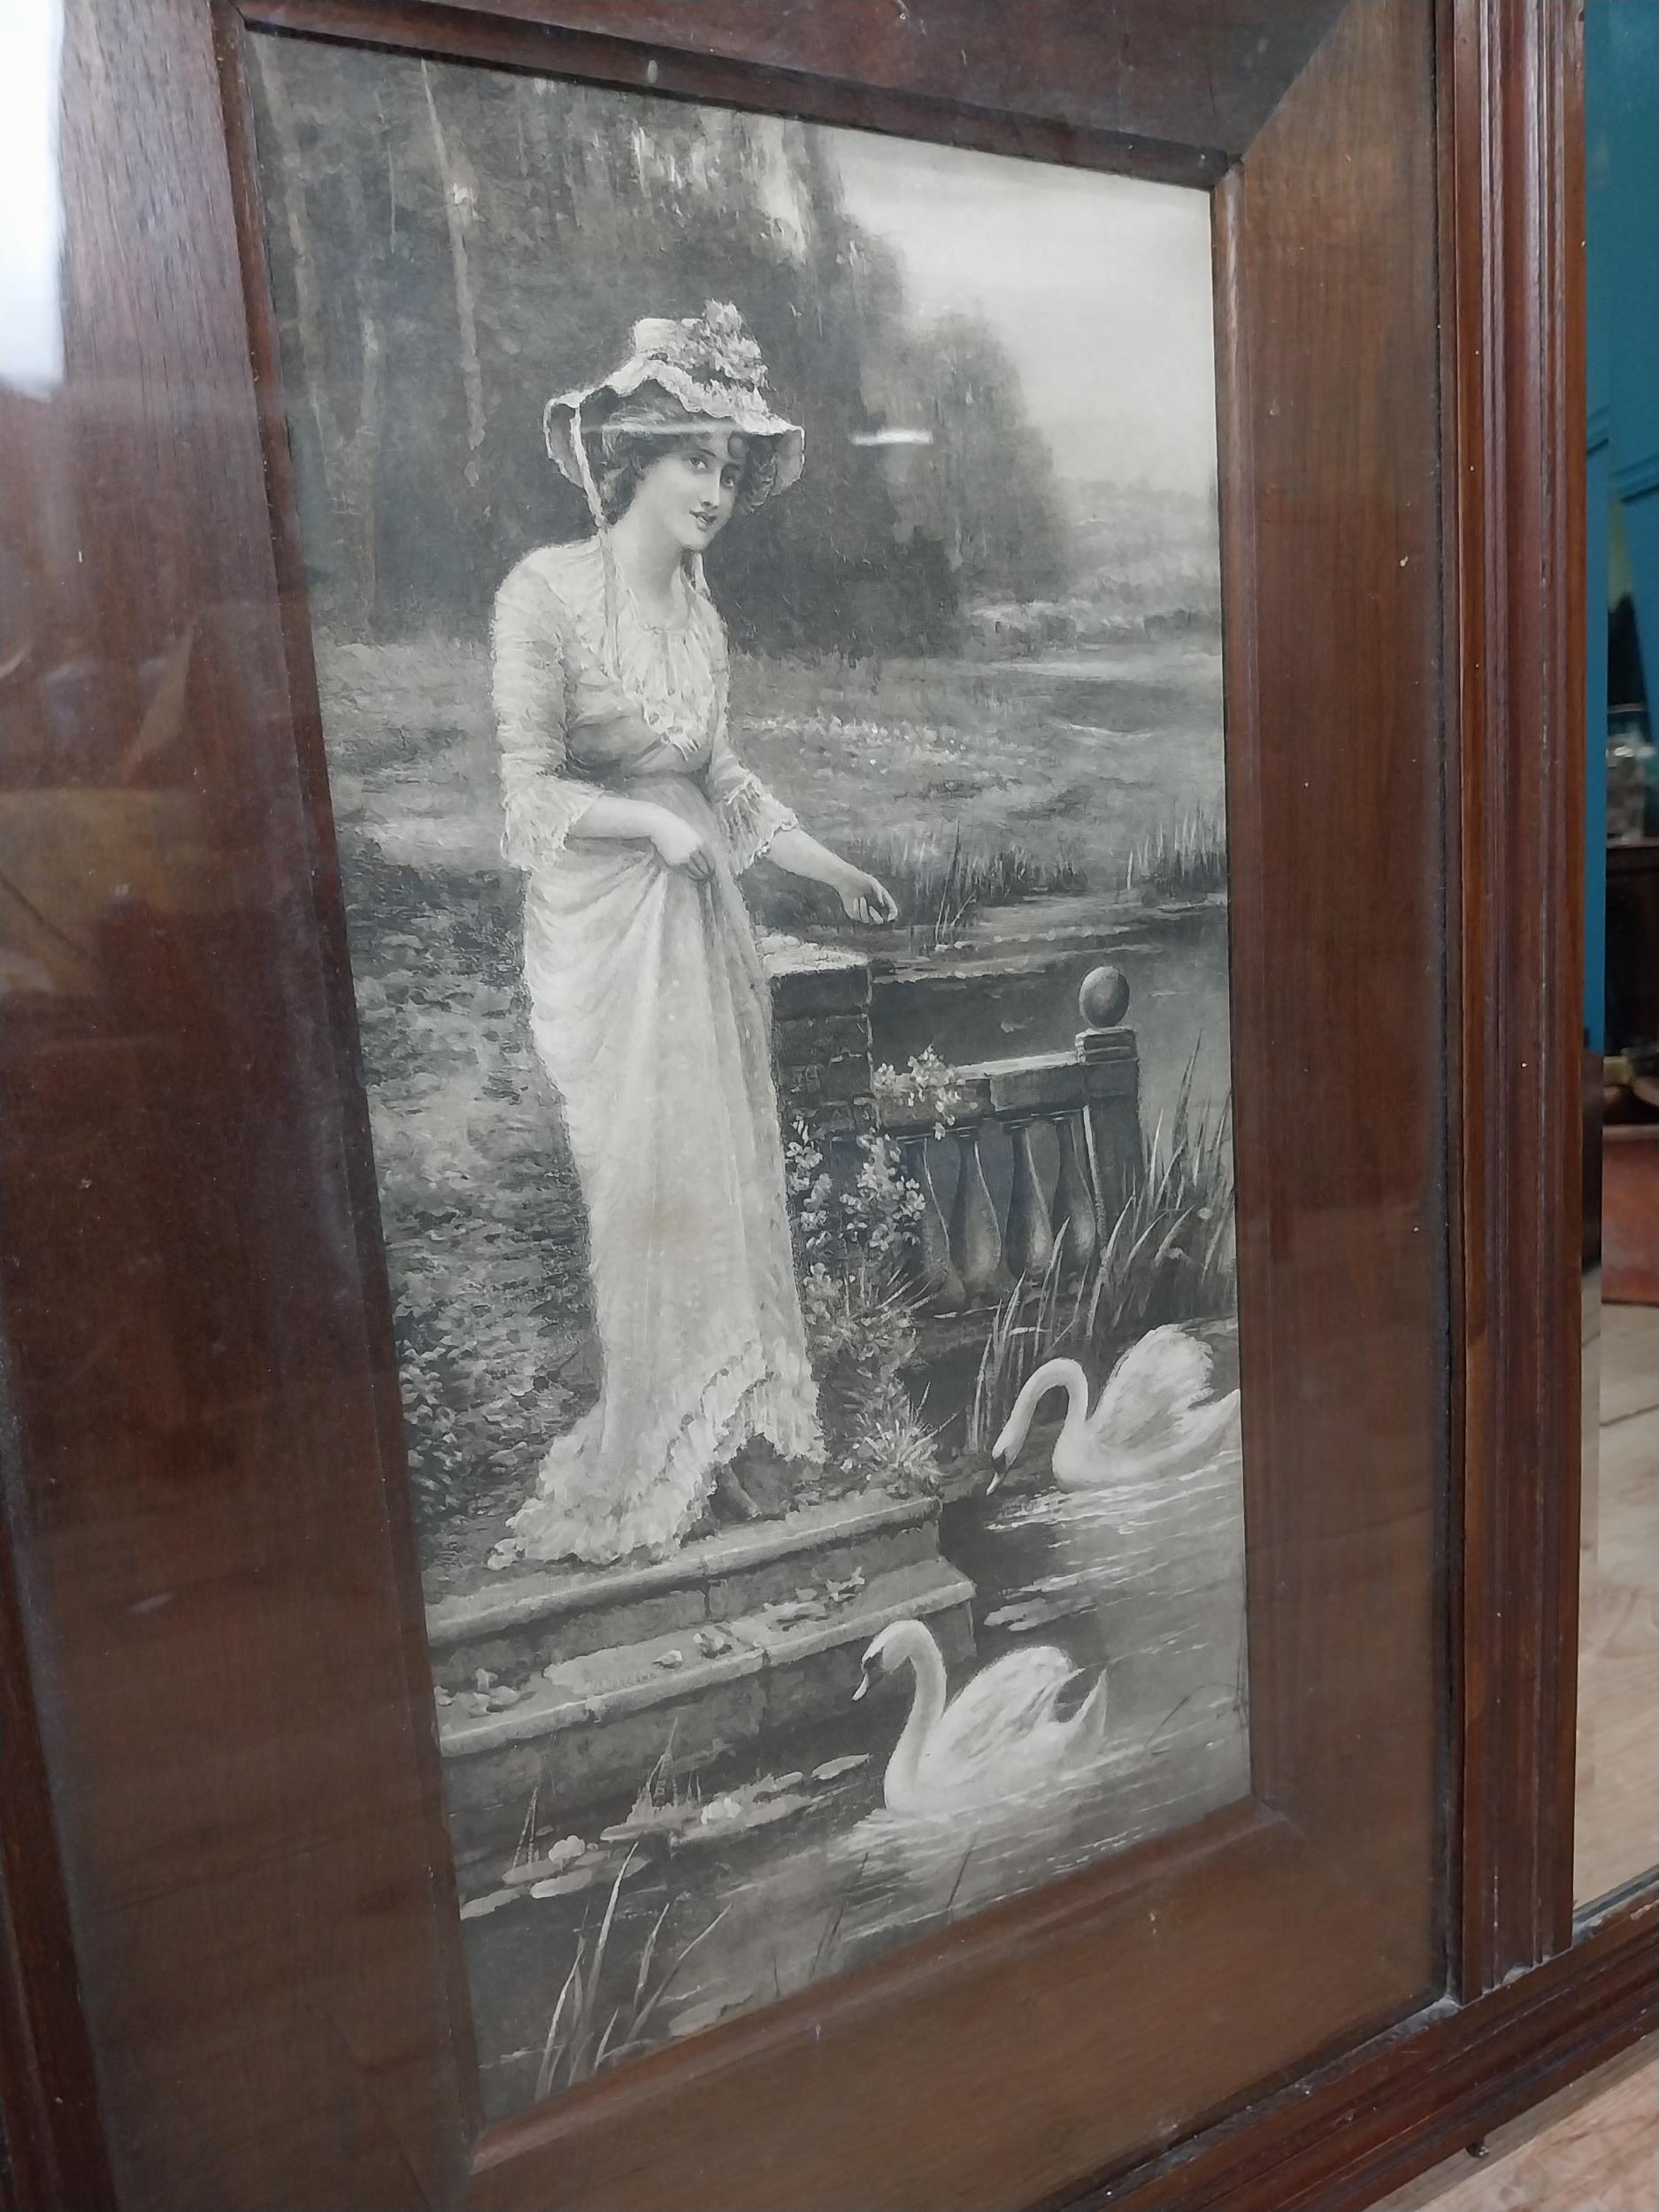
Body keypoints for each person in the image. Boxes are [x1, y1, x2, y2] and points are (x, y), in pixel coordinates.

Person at [489, 303, 895, 1568]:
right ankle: (653, 1449)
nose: (714, 490)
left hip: (704, 930)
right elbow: (525, 797)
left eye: (728, 467)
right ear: (637, 461)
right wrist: (648, 832)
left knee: (723, 1168)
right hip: (611, 927)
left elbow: (724, 782)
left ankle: (731, 1440)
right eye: (694, 460)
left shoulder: (704, 626)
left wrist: (828, 871)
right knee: (645, 1185)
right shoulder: (545, 593)